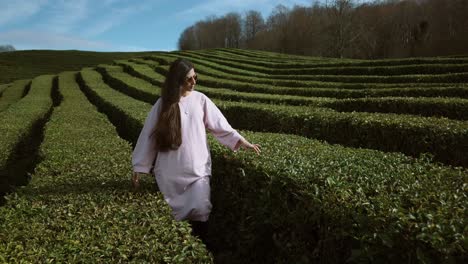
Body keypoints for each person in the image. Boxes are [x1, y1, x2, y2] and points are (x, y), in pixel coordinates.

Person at [131, 58, 260, 243]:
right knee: (174, 218)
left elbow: (220, 126)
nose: (193, 82)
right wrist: (139, 166)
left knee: (201, 209)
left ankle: (201, 250)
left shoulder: (201, 99)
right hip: (169, 175)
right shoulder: (163, 104)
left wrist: (241, 141)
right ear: (177, 80)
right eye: (188, 79)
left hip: (198, 171)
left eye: (195, 77)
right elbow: (148, 137)